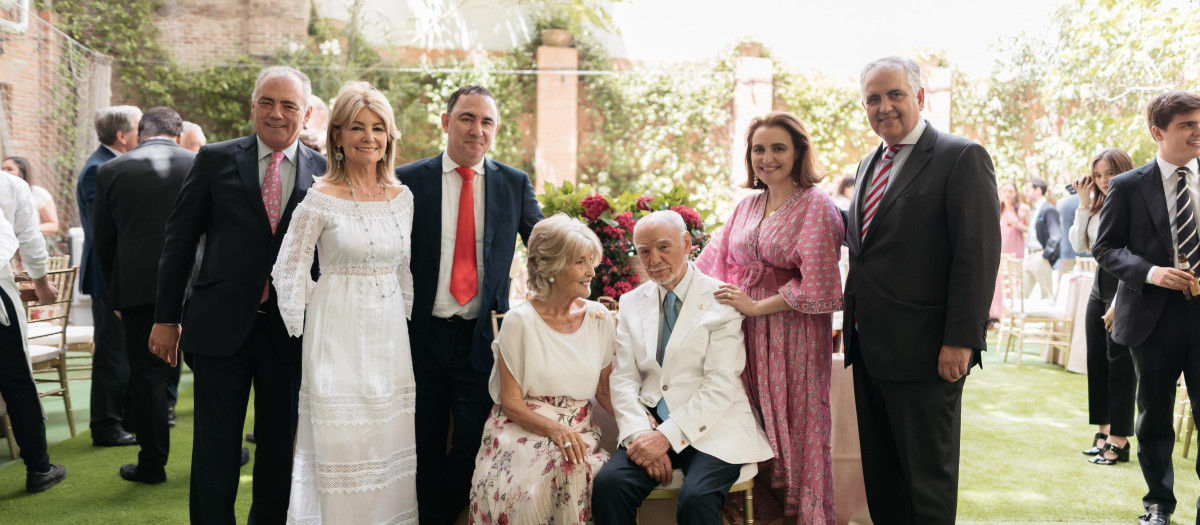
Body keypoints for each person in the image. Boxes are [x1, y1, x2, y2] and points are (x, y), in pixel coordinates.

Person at [150, 65, 326, 524]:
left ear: (305, 113)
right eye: (267, 102)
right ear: (252, 107)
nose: (276, 113)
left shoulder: (326, 173)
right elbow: (179, 241)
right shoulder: (213, 159)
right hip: (218, 329)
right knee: (216, 448)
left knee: (278, 449)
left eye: (288, 105)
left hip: (291, 333)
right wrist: (166, 318)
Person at [842, 56, 1000, 524]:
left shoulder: (961, 156)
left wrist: (961, 339)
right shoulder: (868, 162)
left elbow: (977, 256)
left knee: (925, 483)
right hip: (869, 349)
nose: (884, 106)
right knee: (884, 478)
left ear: (920, 98)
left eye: (895, 94)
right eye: (873, 98)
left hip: (929, 351)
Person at [394, 84, 542, 525]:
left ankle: (441, 514)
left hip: (483, 337)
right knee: (422, 438)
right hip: (421, 336)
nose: (477, 129)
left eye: (487, 121)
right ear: (445, 121)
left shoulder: (513, 184)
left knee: (475, 439)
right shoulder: (408, 180)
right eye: (467, 118)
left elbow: (544, 246)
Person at [271, 81, 417, 524]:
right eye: (357, 127)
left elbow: (405, 268)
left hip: (390, 334)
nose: (368, 137)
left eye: (377, 128)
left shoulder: (402, 197)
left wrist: (402, 310)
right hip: (336, 331)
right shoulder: (319, 198)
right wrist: (307, 315)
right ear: (337, 135)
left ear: (389, 136)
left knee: (386, 436)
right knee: (340, 439)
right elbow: (288, 268)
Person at [695, 112, 844, 523]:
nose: (767, 157)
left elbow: (821, 283)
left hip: (792, 332)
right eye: (758, 149)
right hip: (742, 331)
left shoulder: (816, 205)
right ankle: (760, 515)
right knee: (748, 418)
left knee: (797, 424)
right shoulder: (746, 205)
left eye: (778, 147)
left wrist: (758, 305)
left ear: (798, 152)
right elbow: (713, 262)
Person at [593, 210, 774, 524]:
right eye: (644, 251)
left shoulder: (722, 300)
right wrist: (639, 436)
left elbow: (720, 386)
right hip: (649, 426)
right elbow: (623, 379)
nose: (654, 259)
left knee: (696, 499)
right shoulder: (631, 302)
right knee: (609, 485)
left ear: (687, 243)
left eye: (664, 247)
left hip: (716, 427)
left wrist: (666, 437)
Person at [1092, 91, 1200, 525]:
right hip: (1152, 319)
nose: (1197, 131)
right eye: (1187, 125)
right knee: (1154, 417)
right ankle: (1158, 503)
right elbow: (1106, 247)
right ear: (1158, 132)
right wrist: (1152, 273)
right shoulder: (1127, 185)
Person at [468, 214, 615, 524]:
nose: (591, 271)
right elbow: (510, 402)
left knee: (571, 465)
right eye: (580, 262)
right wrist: (554, 429)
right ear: (551, 268)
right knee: (544, 472)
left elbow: (604, 390)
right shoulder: (519, 321)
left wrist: (642, 429)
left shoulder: (600, 318)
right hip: (522, 427)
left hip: (577, 430)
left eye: (592, 261)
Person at [91, 106, 194, 484]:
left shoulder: (110, 170)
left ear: (140, 133)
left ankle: (152, 465)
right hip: (196, 286)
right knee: (215, 374)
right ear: (178, 135)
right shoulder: (200, 163)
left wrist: (116, 294)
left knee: (147, 377)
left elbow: (103, 240)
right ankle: (227, 454)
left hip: (137, 289)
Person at [76, 105, 141, 448]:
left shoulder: (110, 164)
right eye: (138, 128)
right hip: (108, 276)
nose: (142, 134)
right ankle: (105, 426)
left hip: (120, 274)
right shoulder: (97, 169)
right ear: (122, 135)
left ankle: (125, 417)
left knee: (123, 351)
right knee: (111, 353)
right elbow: (102, 231)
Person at [1068, 148, 1136, 467]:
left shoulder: (1135, 204)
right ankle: (1103, 430)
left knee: (1119, 364)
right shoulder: (1096, 206)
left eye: (1110, 173)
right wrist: (1083, 204)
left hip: (1124, 286)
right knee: (1096, 359)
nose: (1104, 180)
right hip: (1098, 284)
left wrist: (1119, 303)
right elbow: (1078, 245)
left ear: (1123, 170)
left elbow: (1133, 257)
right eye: (1098, 175)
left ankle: (1120, 439)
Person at [0, 170, 65, 493]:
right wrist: (40, 283)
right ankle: (38, 468)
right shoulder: (9, 184)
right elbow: (30, 239)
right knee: (16, 383)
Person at [990, 181, 1031, 320]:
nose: (1007, 194)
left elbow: (1032, 231)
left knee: (1013, 283)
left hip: (1015, 252)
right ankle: (997, 315)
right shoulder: (999, 210)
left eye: (1010, 191)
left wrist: (1018, 224)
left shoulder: (1022, 209)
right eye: (1005, 191)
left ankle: (1010, 315)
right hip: (1000, 253)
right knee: (998, 284)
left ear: (1015, 193)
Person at [1022, 177, 1061, 298]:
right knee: (1021, 295)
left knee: (1046, 296)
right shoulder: (1035, 209)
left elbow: (1056, 235)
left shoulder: (1048, 209)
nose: (1025, 193)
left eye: (1028, 190)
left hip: (1040, 257)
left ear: (1038, 190)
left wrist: (1046, 255)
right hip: (1029, 256)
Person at [2, 157, 58, 236]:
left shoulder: (38, 193)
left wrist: (26, 231)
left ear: (23, 172)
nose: (4, 173)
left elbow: (53, 225)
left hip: (28, 243)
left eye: (10, 169)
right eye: (2, 169)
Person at [1059, 191, 1081, 272]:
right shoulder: (1085, 200)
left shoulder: (1062, 202)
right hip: (1082, 250)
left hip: (1065, 247)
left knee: (1063, 278)